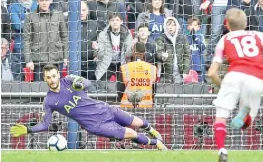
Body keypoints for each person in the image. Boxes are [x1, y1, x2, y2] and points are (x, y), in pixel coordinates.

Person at [10, 64, 167, 150]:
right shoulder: (49, 101)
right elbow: (45, 124)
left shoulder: (69, 79)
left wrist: (80, 84)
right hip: (95, 125)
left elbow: (88, 83)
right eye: (48, 77)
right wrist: (28, 130)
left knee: (137, 123)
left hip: (105, 109)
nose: (52, 79)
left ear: (58, 74)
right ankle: (157, 144)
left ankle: (152, 131)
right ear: (44, 79)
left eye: (53, 75)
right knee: (131, 133)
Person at [208, 8, 263, 162]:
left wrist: (221, 85)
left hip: (233, 76)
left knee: (220, 117)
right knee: (246, 126)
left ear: (226, 24)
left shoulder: (225, 39)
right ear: (246, 23)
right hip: (255, 79)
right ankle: (245, 114)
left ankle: (222, 150)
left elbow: (211, 72)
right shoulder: (258, 35)